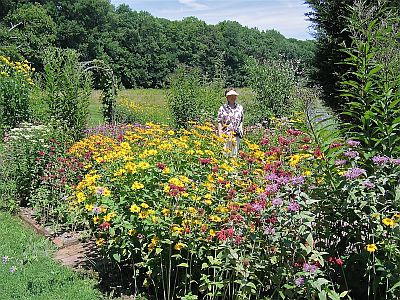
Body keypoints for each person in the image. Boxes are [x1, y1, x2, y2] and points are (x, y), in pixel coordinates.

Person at [217, 88, 244, 157]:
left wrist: (241, 131)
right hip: (225, 135)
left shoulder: (240, 108)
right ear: (227, 97)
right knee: (225, 155)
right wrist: (220, 134)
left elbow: (241, 120)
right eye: (231, 96)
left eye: (234, 96)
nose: (233, 97)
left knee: (234, 156)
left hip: (236, 135)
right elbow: (219, 121)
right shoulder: (222, 108)